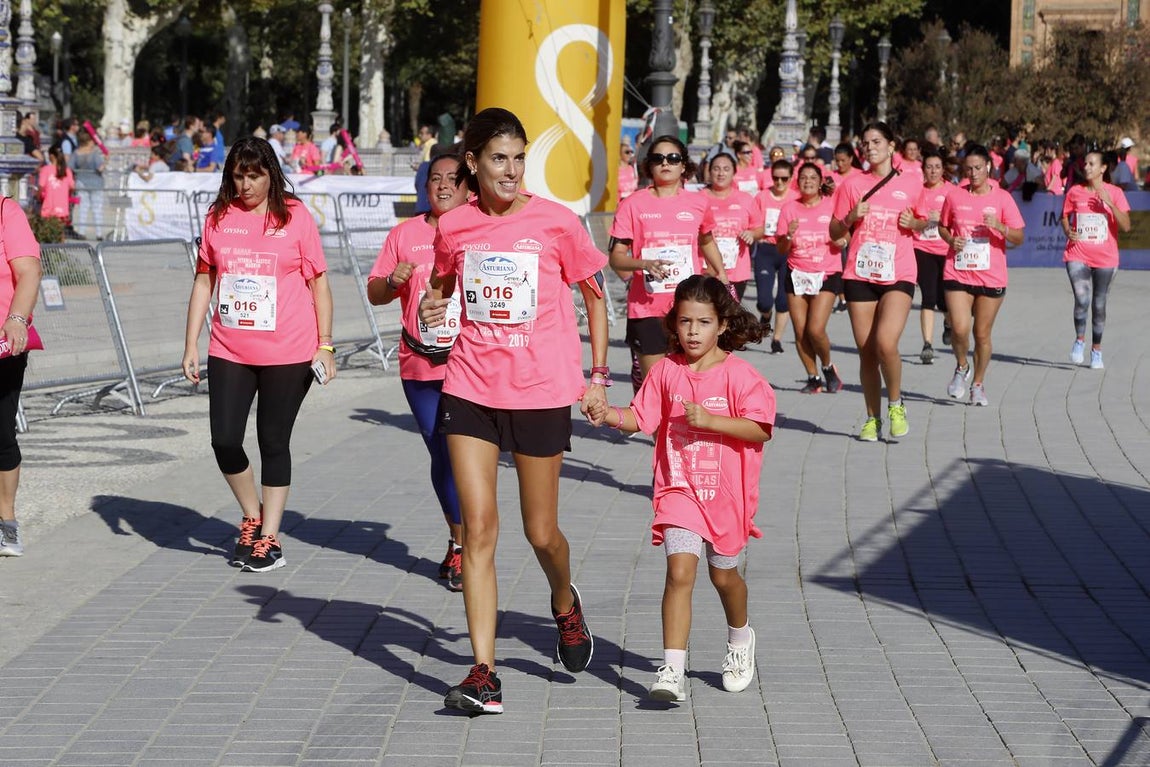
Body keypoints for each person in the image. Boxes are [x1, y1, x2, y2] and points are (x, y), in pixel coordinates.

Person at [417, 108, 608, 715]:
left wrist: (599, 377)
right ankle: (483, 672)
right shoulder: (454, 226)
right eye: (499, 158)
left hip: (540, 392)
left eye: (519, 157)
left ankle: (563, 603)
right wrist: (431, 307)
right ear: (472, 162)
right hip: (470, 387)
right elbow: (443, 287)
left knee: (541, 533)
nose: (511, 170)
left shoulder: (555, 222)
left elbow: (596, 296)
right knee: (479, 531)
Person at [594, 275, 775, 701]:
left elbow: (760, 430)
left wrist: (712, 422)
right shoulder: (665, 372)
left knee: (724, 576)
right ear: (673, 323)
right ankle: (671, 670)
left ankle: (739, 640)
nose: (693, 331)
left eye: (703, 322)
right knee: (679, 572)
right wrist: (607, 414)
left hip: (726, 496)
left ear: (723, 326)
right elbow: (640, 418)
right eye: (685, 322)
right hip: (679, 490)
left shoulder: (741, 376)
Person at [182, 137, 335, 573]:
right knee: (224, 439)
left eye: (255, 175)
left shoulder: (296, 216)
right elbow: (203, 282)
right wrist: (190, 342)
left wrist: (326, 344)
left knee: (272, 439)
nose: (246, 184)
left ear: (271, 174)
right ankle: (251, 513)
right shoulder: (217, 217)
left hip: (289, 349)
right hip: (229, 347)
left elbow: (318, 283)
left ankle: (270, 537)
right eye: (238, 176)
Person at [367, 152, 469, 591]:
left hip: (470, 365)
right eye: (435, 180)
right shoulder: (405, 234)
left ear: (469, 188)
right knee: (441, 453)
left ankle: (470, 545)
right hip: (419, 365)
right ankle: (459, 539)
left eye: (452, 180)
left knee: (463, 455)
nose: (443, 186)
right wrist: (393, 281)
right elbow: (375, 294)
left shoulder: (481, 231)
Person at [609, 134, 729, 392]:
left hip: (688, 307)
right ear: (649, 165)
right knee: (656, 389)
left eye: (673, 158)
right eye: (658, 158)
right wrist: (643, 264)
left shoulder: (698, 203)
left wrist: (721, 273)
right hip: (646, 308)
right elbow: (616, 256)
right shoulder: (633, 204)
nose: (666, 163)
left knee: (686, 384)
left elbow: (706, 240)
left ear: (683, 165)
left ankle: (677, 433)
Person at [829, 121, 923, 442]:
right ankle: (873, 418)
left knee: (885, 343)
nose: (870, 147)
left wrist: (916, 222)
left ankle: (896, 403)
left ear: (892, 146)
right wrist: (851, 217)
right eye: (865, 143)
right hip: (860, 272)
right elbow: (834, 231)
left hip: (898, 272)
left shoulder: (911, 182)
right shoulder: (852, 184)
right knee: (867, 351)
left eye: (877, 141)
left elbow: (924, 221)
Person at [937, 145, 1025, 406]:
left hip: (991, 276)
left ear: (988, 166)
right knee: (960, 328)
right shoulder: (954, 196)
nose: (973, 174)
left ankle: (978, 384)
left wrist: (1000, 226)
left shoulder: (1002, 198)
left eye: (978, 168)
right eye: (968, 169)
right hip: (958, 271)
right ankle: (961, 366)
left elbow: (1019, 237)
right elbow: (943, 227)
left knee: (982, 334)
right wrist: (951, 240)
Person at [776, 162, 847, 394]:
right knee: (800, 331)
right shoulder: (789, 209)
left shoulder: (831, 206)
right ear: (797, 182)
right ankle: (813, 376)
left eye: (812, 178)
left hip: (826, 272)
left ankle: (827, 367)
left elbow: (846, 236)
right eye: (803, 178)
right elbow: (781, 248)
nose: (808, 181)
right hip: (797, 273)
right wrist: (789, 234)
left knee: (815, 329)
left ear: (820, 183)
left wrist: (841, 241)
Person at [1060, 147, 1131, 370]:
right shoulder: (1075, 191)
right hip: (1077, 253)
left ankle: (1096, 350)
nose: (1086, 167)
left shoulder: (1116, 192)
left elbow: (1127, 226)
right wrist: (1067, 230)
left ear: (1103, 168)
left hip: (1106, 258)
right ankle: (1080, 341)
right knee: (1082, 299)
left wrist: (1109, 203)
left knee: (1099, 305)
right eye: (1085, 164)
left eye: (1091, 164)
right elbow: (1064, 216)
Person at [0, 197, 43, 556]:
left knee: (1, 433)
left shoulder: (6, 211)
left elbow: (28, 270)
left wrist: (17, 319)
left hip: (3, 342)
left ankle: (7, 520)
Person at [702, 151, 763, 301]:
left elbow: (759, 229)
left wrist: (751, 234)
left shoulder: (745, 199)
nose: (721, 173)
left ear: (734, 172)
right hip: (705, 270)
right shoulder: (698, 199)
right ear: (709, 172)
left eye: (726, 169)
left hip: (736, 271)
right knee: (708, 315)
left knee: (730, 315)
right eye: (716, 169)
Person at [912, 148, 954, 364]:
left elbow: (958, 219)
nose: (933, 171)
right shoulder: (917, 191)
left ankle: (948, 323)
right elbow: (910, 219)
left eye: (937, 167)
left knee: (943, 299)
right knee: (928, 296)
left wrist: (942, 220)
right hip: (922, 248)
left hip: (946, 250)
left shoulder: (951, 191)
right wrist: (923, 220)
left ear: (943, 170)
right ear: (923, 170)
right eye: (929, 167)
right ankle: (927, 344)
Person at [752, 159, 798, 351]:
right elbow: (753, 222)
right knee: (764, 300)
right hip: (766, 249)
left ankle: (777, 340)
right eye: (775, 178)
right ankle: (765, 315)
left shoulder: (796, 197)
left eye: (784, 179)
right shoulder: (762, 197)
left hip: (789, 251)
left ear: (790, 178)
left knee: (783, 299)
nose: (779, 183)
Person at [69, 127, 106, 238]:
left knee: (83, 208)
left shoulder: (76, 153)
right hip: (96, 183)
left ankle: (82, 231)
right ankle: (99, 233)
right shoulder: (94, 154)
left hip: (81, 181)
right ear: (89, 142)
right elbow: (100, 168)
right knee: (97, 208)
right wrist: (106, 161)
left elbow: (70, 167)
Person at [38, 144, 75, 228]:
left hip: (48, 207)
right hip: (62, 207)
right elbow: (72, 187)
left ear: (51, 155)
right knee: (60, 232)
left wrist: (38, 196)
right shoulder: (67, 170)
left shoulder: (46, 169)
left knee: (47, 232)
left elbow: (41, 186)